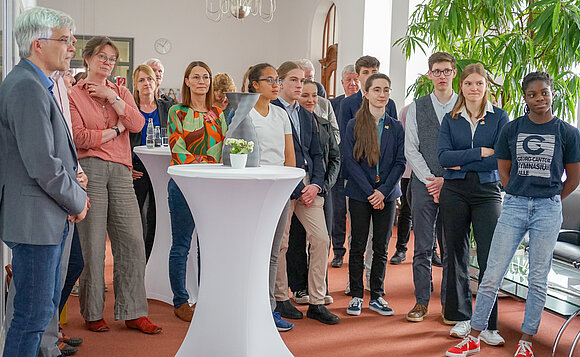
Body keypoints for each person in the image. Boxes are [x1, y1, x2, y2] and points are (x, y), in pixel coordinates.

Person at [446, 71, 580, 357]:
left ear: (552, 92)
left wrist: (552, 199)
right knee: (492, 273)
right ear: (525, 98)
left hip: (547, 209)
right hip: (515, 205)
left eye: (544, 92)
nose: (539, 98)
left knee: (538, 279)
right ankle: (474, 337)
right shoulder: (513, 128)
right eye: (532, 94)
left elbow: (574, 177)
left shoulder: (567, 132)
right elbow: (503, 170)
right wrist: (517, 192)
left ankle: (526, 342)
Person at [0, 7, 88, 356]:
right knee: (31, 317)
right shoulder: (26, 86)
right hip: (35, 220)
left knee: (39, 311)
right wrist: (78, 199)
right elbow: (42, 165)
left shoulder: (35, 82)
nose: (71, 47)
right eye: (65, 40)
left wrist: (73, 178)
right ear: (38, 44)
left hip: (44, 216)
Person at [70, 36, 161, 334]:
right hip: (90, 169)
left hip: (122, 170)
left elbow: (137, 124)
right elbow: (81, 138)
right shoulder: (73, 94)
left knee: (133, 241)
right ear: (88, 58)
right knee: (93, 245)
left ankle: (133, 311)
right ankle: (93, 311)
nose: (107, 63)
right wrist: (115, 129)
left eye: (112, 58)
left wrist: (113, 99)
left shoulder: (121, 91)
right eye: (102, 57)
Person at [437, 63, 509, 343]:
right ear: (461, 87)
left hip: (488, 191)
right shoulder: (450, 119)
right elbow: (443, 158)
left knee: (490, 256)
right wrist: (479, 152)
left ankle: (488, 325)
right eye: (469, 84)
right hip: (454, 191)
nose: (474, 88)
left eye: (479, 83)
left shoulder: (500, 117)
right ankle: (461, 318)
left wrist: (462, 161)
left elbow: (501, 159)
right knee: (455, 254)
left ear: (486, 86)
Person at [272, 61, 339, 325]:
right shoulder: (272, 110)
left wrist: (317, 185)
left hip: (310, 188)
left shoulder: (306, 114)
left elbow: (316, 155)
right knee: (283, 243)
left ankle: (316, 301)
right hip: (283, 188)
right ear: (280, 82)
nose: (299, 85)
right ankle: (281, 298)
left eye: (302, 81)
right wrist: (298, 186)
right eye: (293, 80)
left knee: (321, 239)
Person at [167, 61, 227, 322]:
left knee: (209, 245)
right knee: (181, 245)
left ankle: (209, 297)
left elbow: (223, 150)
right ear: (187, 81)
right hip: (184, 184)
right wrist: (204, 164)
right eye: (196, 77)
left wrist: (215, 166)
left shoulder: (217, 112)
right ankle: (181, 301)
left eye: (206, 76)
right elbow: (178, 150)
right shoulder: (177, 112)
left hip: (212, 186)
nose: (202, 81)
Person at [343, 73, 405, 316]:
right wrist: (371, 193)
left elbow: (400, 163)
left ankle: (377, 295)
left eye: (386, 90)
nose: (382, 94)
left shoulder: (396, 126)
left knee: (380, 246)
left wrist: (383, 192)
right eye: (377, 90)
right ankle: (357, 294)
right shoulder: (354, 125)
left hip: (387, 195)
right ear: (366, 93)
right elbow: (349, 162)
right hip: (360, 194)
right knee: (357, 245)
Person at [404, 51, 458, 323]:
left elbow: (468, 149)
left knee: (450, 248)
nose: (441, 76)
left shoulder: (464, 106)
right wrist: (430, 180)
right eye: (437, 71)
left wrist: (445, 180)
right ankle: (421, 302)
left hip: (456, 185)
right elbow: (411, 149)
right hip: (423, 184)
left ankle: (450, 305)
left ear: (454, 73)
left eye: (446, 70)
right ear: (429, 75)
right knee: (423, 247)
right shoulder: (417, 106)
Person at [246, 62, 296, 331]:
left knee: (274, 251)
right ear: (254, 84)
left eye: (277, 79)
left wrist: (286, 186)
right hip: (254, 188)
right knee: (254, 249)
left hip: (279, 188)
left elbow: (289, 156)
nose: (276, 84)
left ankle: (269, 308)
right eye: (270, 80)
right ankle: (250, 306)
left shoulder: (280, 115)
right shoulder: (245, 113)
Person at [287, 79, 341, 306]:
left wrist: (322, 185)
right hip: (297, 186)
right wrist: (303, 187)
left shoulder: (325, 124)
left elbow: (334, 158)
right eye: (305, 95)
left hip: (321, 187)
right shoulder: (291, 122)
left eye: (314, 96)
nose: (310, 100)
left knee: (321, 239)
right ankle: (298, 288)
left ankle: (318, 289)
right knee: (295, 241)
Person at [130, 64, 174, 261]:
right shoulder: (130, 107)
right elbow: (123, 139)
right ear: (136, 85)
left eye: (150, 79)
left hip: (161, 169)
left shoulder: (168, 106)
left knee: (156, 217)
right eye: (141, 80)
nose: (146, 83)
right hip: (136, 169)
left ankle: (150, 261)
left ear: (156, 83)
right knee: (134, 219)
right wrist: (127, 165)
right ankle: (135, 261)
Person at [330, 64, 360, 268]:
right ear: (342, 83)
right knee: (338, 211)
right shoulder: (333, 104)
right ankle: (338, 251)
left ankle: (357, 252)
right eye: (348, 80)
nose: (353, 83)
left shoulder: (368, 102)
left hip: (361, 168)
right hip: (339, 166)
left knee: (357, 213)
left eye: (356, 79)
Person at [390, 104, 412, 265]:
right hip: (409, 171)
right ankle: (401, 249)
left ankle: (433, 251)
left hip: (433, 173)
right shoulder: (407, 110)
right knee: (406, 209)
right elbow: (402, 142)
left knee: (435, 213)